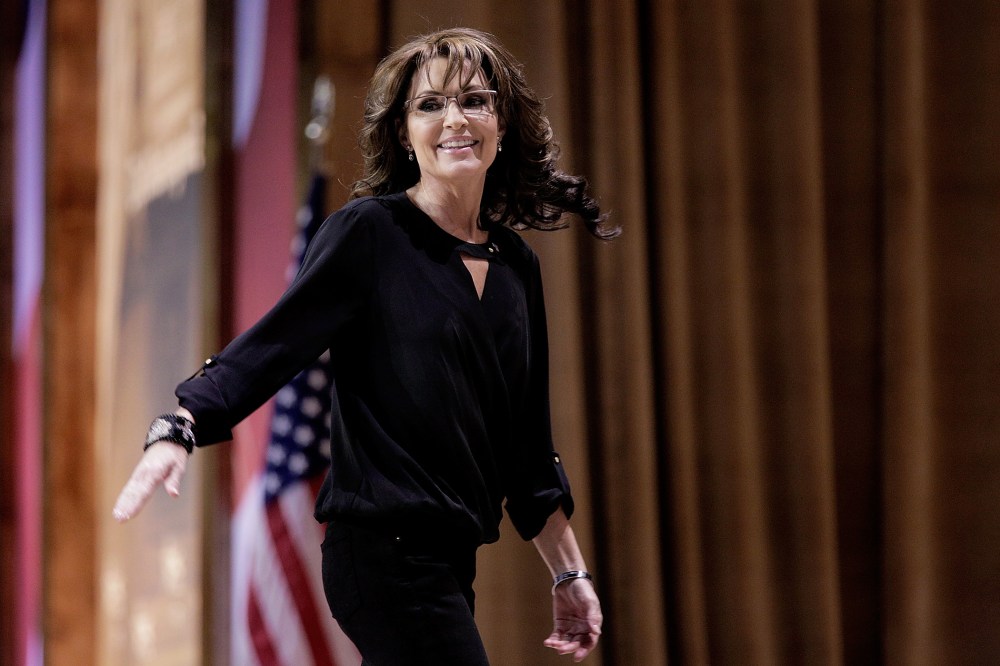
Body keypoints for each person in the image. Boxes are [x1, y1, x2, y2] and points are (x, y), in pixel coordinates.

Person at [113, 27, 616, 665]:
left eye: (474, 101)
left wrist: (568, 576)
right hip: (381, 554)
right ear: (404, 134)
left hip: (452, 561)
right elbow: (273, 345)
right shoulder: (368, 234)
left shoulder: (516, 266)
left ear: (503, 122)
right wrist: (179, 424)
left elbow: (526, 447)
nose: (454, 119)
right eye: (430, 105)